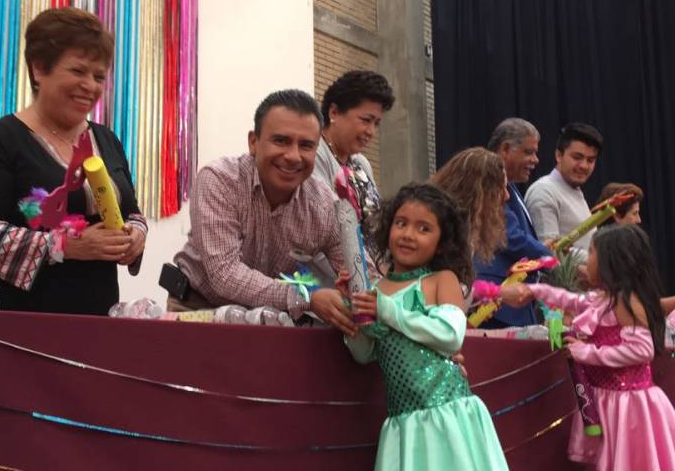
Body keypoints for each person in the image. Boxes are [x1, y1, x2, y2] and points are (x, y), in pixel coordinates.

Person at [0, 7, 146, 315]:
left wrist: (136, 235)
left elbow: (131, 211)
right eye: (78, 71)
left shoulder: (107, 140)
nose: (90, 85)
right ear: (39, 69)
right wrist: (64, 246)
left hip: (97, 315)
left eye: (99, 76)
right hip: (16, 318)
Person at [342, 183, 508, 470]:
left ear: (442, 242)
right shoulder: (376, 290)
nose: (408, 234)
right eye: (401, 223)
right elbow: (364, 353)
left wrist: (387, 311)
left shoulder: (441, 280)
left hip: (447, 419)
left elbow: (450, 336)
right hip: (405, 427)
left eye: (424, 228)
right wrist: (353, 310)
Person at [170, 89, 357, 336]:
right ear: (253, 142)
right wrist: (306, 297)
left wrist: (364, 293)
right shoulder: (219, 180)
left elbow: (359, 270)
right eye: (281, 141)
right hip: (197, 309)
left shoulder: (324, 205)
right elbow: (224, 274)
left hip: (268, 320)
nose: (293, 156)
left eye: (306, 145)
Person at [501, 225, 675, 470]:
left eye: (592, 252)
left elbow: (642, 350)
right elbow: (570, 300)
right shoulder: (603, 299)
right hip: (608, 400)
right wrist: (534, 290)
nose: (587, 259)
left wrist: (587, 352)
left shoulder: (625, 302)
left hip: (628, 406)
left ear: (611, 262)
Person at [476, 118, 551, 327]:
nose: (535, 160)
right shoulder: (485, 180)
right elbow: (510, 236)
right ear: (506, 149)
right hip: (494, 307)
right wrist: (553, 259)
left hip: (511, 306)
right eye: (529, 152)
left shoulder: (511, 188)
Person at [312, 70, 394, 225]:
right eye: (366, 120)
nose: (371, 132)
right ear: (334, 112)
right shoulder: (314, 155)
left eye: (376, 123)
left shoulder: (361, 163)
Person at [525, 123, 604, 261]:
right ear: (558, 155)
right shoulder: (544, 191)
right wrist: (602, 260)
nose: (584, 166)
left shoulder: (572, 189)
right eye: (577, 157)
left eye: (590, 160)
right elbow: (548, 253)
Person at [431, 147, 509, 265]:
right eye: (499, 190)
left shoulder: (464, 228)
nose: (506, 196)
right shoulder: (445, 230)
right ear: (478, 191)